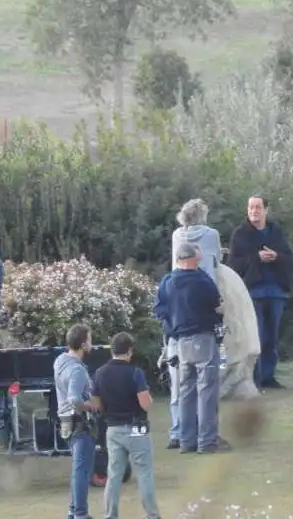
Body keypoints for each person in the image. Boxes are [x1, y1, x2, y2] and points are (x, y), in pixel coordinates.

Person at [160, 198, 222, 449]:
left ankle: (184, 437)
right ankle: (206, 440)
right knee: (206, 389)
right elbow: (216, 303)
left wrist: (170, 328)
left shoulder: (167, 281)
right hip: (202, 334)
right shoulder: (203, 278)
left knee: (184, 388)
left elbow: (160, 309)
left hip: (178, 335)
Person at [227, 195, 293, 389]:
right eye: (251, 207)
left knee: (271, 337)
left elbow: (289, 257)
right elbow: (234, 263)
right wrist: (256, 257)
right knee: (255, 336)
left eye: (257, 207)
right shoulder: (240, 234)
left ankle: (268, 376)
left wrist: (276, 256)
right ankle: (252, 377)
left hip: (275, 293)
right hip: (252, 293)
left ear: (266, 210)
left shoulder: (276, 232)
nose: (254, 211)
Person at [92, 332, 160, 519]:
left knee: (114, 475)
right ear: (129, 351)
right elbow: (145, 403)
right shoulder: (135, 372)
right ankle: (152, 515)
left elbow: (96, 404)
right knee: (144, 473)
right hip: (136, 427)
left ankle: (110, 515)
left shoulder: (100, 373)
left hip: (113, 428)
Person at [54, 324, 97, 519]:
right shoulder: (77, 370)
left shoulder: (60, 361)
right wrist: (90, 405)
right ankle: (80, 513)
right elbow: (74, 398)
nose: (91, 343)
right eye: (89, 339)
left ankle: (74, 511)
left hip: (66, 422)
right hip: (79, 422)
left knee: (78, 469)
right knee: (82, 471)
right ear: (82, 343)